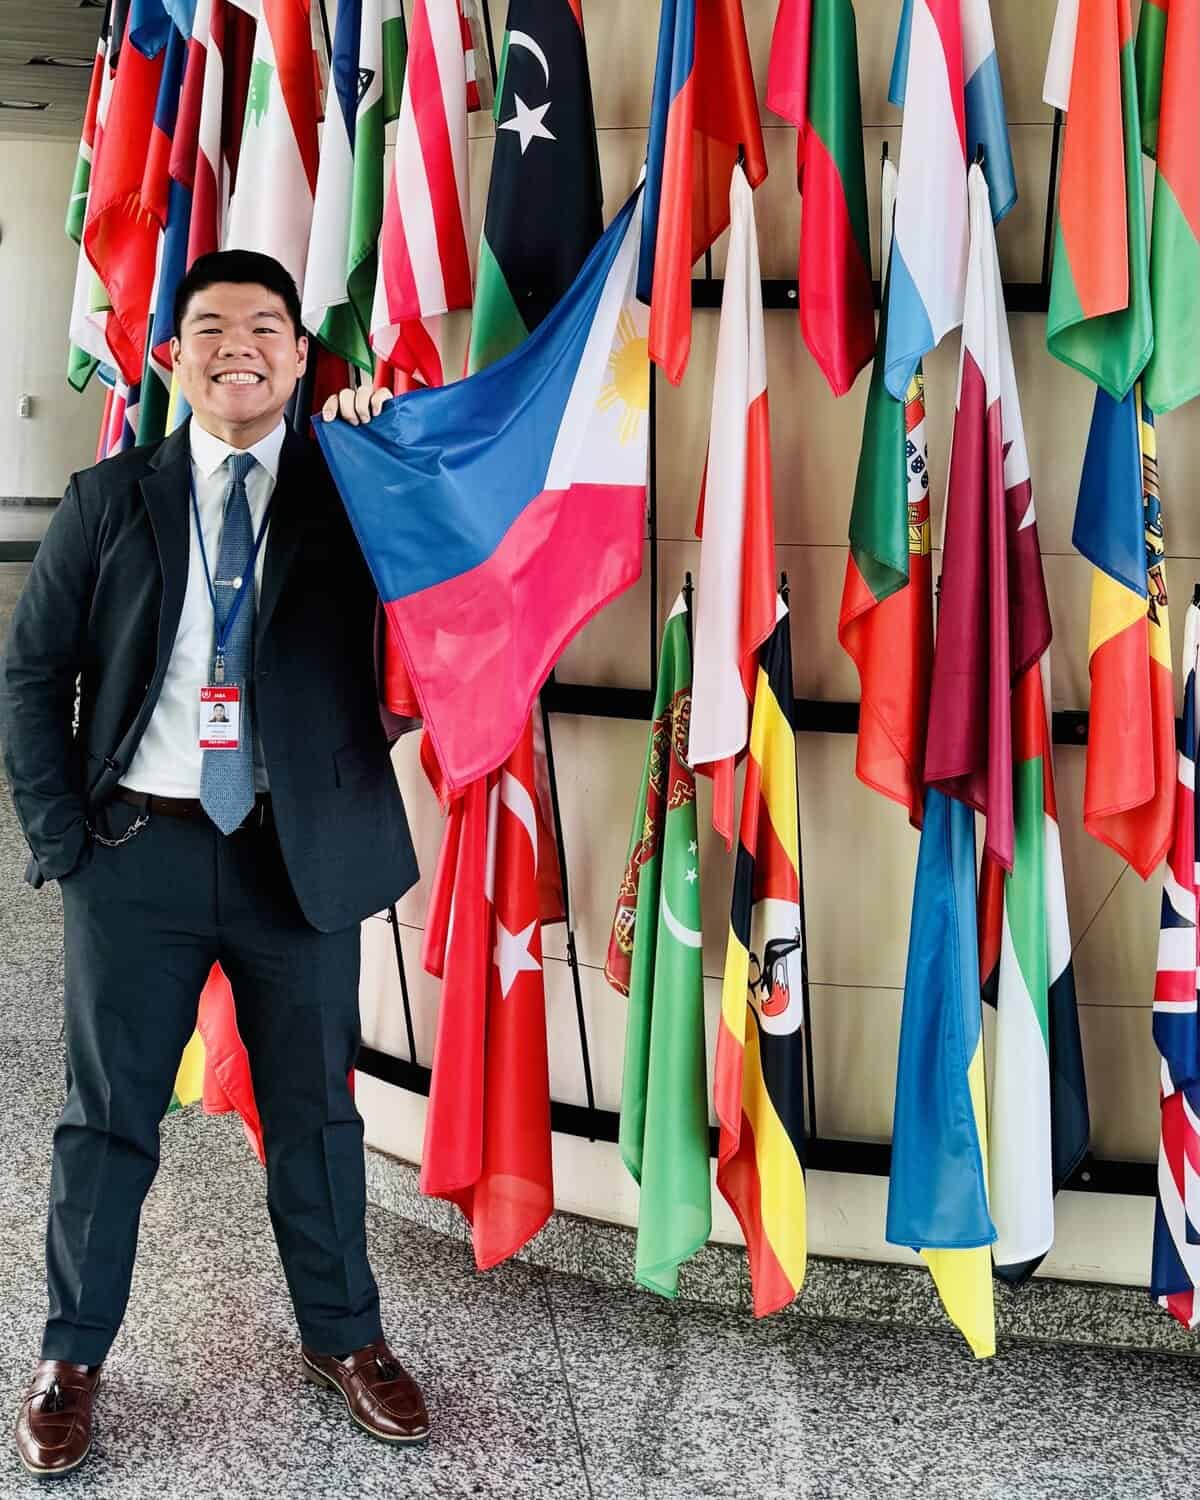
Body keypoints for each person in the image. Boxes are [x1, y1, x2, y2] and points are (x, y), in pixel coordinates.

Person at [1, 249, 419, 1480]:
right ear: (175, 354)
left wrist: (388, 442)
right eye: (211, 326)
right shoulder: (106, 496)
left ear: (299, 354)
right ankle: (71, 1358)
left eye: (265, 327)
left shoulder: (353, 488)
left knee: (316, 1118)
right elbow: (32, 674)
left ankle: (346, 1339)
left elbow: (453, 560)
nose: (239, 344)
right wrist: (61, 840)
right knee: (108, 1122)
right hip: (139, 853)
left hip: (300, 857)